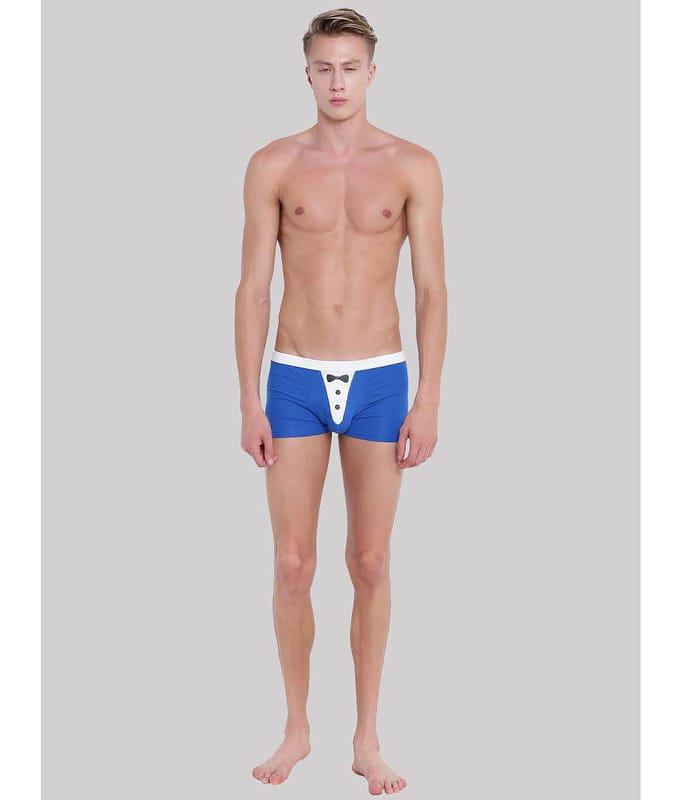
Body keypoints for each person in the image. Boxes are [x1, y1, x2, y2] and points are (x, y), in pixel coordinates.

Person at [234, 7, 447, 795]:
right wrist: (248, 399)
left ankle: (366, 739)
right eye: (323, 68)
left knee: (371, 560)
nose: (336, 82)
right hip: (293, 376)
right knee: (292, 563)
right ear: (307, 73)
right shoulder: (273, 164)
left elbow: (431, 290)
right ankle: (297, 729)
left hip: (379, 379)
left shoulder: (412, 165)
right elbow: (252, 289)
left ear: (370, 73)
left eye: (349, 68)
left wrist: (427, 398)